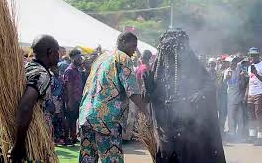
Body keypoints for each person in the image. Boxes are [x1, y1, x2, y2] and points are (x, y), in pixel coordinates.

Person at [144, 29, 226, 163]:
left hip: (190, 124)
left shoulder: (193, 65)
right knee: (166, 155)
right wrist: (149, 90)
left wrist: (198, 96)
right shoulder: (158, 67)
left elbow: (210, 86)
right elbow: (149, 99)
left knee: (188, 155)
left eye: (174, 51)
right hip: (165, 125)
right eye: (165, 51)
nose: (169, 55)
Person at [78, 32, 148, 163]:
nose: (134, 51)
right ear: (122, 42)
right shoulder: (123, 58)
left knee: (87, 158)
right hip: (107, 120)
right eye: (133, 46)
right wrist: (147, 113)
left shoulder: (102, 57)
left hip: (86, 116)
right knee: (112, 159)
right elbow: (132, 91)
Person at [8, 35, 59, 161]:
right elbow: (25, 106)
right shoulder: (41, 74)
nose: (59, 55)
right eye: (58, 51)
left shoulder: (25, 69)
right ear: (50, 52)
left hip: (17, 134)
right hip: (30, 141)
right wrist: (18, 145)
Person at [247, 47, 262, 146]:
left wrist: (256, 73)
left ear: (258, 55)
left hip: (260, 93)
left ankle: (260, 137)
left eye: (254, 55)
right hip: (251, 94)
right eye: (251, 55)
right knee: (251, 115)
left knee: (259, 115)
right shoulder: (249, 67)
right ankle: (252, 136)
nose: (252, 57)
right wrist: (246, 94)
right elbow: (250, 81)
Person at [63, 49, 83, 145]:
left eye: (80, 57)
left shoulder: (77, 70)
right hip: (72, 99)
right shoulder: (69, 70)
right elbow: (69, 86)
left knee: (74, 119)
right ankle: (68, 138)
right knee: (70, 119)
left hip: (77, 99)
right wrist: (70, 101)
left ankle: (74, 137)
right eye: (78, 57)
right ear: (72, 58)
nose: (80, 59)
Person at [224, 57, 244, 140]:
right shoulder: (227, 71)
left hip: (238, 98)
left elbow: (241, 84)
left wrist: (242, 77)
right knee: (231, 118)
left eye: (235, 63)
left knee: (240, 117)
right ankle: (231, 134)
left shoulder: (238, 70)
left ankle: (239, 134)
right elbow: (224, 81)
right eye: (232, 63)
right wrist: (227, 78)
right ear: (229, 63)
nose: (234, 64)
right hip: (231, 98)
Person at [50, 66, 65, 145]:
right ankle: (53, 139)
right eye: (55, 69)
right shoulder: (51, 78)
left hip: (59, 100)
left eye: (57, 69)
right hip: (53, 100)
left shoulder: (59, 78)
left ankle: (57, 138)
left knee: (58, 120)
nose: (57, 71)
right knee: (52, 120)